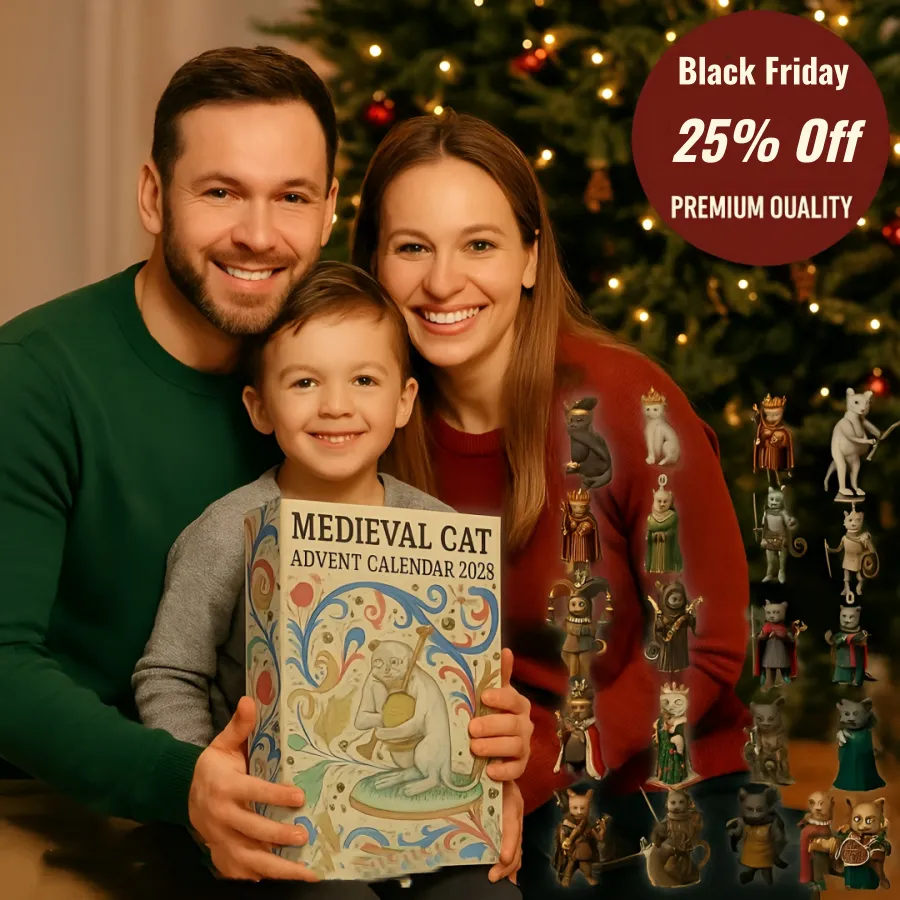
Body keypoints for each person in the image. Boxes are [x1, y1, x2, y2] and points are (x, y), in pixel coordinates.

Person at [349, 111, 808, 896]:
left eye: (480, 245)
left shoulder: (629, 405)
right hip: (478, 784)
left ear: (530, 258)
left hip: (673, 776)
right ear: (374, 265)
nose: (442, 282)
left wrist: (556, 760)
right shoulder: (359, 422)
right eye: (412, 247)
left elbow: (704, 642)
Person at [0, 45, 350, 887]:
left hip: (296, 818)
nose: (259, 235)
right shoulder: (35, 377)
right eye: (221, 191)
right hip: (60, 808)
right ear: (155, 197)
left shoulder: (343, 388)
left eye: (291, 197)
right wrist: (181, 784)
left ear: (331, 209)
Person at [132, 261, 528, 894]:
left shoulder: (443, 533)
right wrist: (205, 780)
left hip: (430, 831)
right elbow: (169, 673)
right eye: (305, 381)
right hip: (281, 830)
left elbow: (472, 690)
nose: (336, 405)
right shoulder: (227, 529)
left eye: (365, 379)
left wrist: (504, 748)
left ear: (404, 401)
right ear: (259, 407)